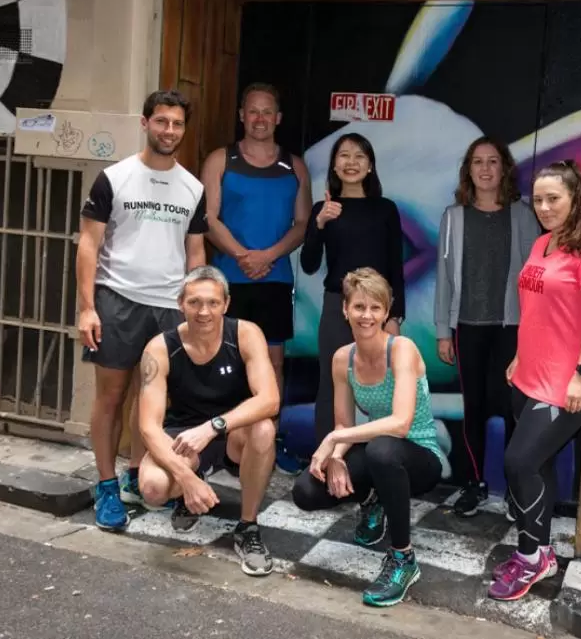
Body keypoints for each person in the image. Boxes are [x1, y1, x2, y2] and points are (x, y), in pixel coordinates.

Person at [76, 89, 207, 531]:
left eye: (177, 124)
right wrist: (87, 308)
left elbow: (195, 253)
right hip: (117, 300)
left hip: (168, 307)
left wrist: (195, 310)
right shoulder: (114, 178)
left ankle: (136, 475)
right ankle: (107, 485)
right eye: (162, 121)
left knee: (151, 400)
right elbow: (88, 245)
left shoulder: (193, 187)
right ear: (145, 123)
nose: (169, 131)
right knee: (111, 397)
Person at [489, 160, 581, 602]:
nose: (544, 207)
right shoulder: (542, 243)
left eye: (553, 199)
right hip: (528, 376)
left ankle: (530, 558)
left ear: (575, 198)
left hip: (567, 384)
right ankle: (538, 553)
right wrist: (521, 355)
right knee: (537, 465)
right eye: (538, 199)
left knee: (518, 462)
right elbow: (536, 308)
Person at [292, 268, 444, 607]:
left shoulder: (401, 349)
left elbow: (401, 423)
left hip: (420, 456)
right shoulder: (342, 359)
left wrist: (333, 441)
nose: (367, 315)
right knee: (306, 491)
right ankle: (374, 498)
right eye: (359, 307)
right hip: (380, 449)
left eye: (376, 308)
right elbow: (345, 422)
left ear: (386, 311)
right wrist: (335, 457)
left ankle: (403, 559)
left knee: (381, 450)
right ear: (345, 310)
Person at [136, 265, 281, 576]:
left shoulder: (245, 333)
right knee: (152, 488)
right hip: (183, 435)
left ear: (226, 304)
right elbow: (148, 427)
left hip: (231, 432)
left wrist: (214, 426)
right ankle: (188, 496)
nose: (204, 312)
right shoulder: (160, 348)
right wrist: (187, 479)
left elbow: (270, 399)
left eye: (213, 303)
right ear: (180, 304)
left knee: (264, 428)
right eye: (195, 303)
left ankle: (248, 526)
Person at [434, 137, 541, 518]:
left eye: (492, 161)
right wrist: (444, 331)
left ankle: (515, 490)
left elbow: (535, 277)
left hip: (511, 328)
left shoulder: (524, 215)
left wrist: (534, 332)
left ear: (504, 168)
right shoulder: (454, 217)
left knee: (515, 408)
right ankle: (473, 483)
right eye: (477, 161)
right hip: (468, 326)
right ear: (468, 170)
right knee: (473, 409)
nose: (484, 169)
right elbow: (444, 278)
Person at [201, 83, 311, 444]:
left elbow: (302, 224)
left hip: (275, 278)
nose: (259, 118)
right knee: (222, 363)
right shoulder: (222, 159)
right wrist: (242, 256)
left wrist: (267, 256)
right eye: (253, 111)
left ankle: (268, 439)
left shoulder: (294, 166)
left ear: (278, 118)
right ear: (241, 116)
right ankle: (221, 443)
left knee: (272, 363)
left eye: (267, 112)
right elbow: (209, 218)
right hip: (228, 280)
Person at [300, 133, 406, 444]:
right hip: (337, 307)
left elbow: (395, 267)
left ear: (371, 166)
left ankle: (379, 460)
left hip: (378, 311)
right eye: (344, 155)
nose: (351, 162)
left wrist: (394, 316)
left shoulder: (385, 209)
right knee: (331, 384)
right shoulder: (325, 208)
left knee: (383, 386)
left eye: (359, 156)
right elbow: (308, 263)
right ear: (333, 165)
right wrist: (318, 223)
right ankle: (325, 461)